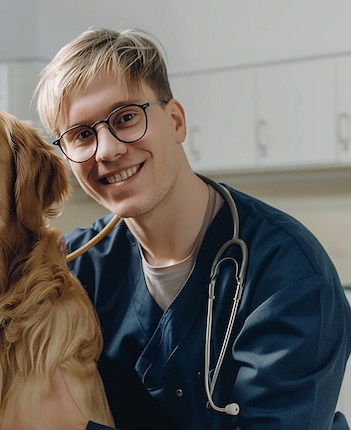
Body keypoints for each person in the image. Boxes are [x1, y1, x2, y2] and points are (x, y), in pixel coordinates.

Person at [27, 27, 351, 430]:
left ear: (176, 121)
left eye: (126, 117)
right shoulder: (73, 269)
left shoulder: (289, 276)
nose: (107, 150)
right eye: (82, 135)